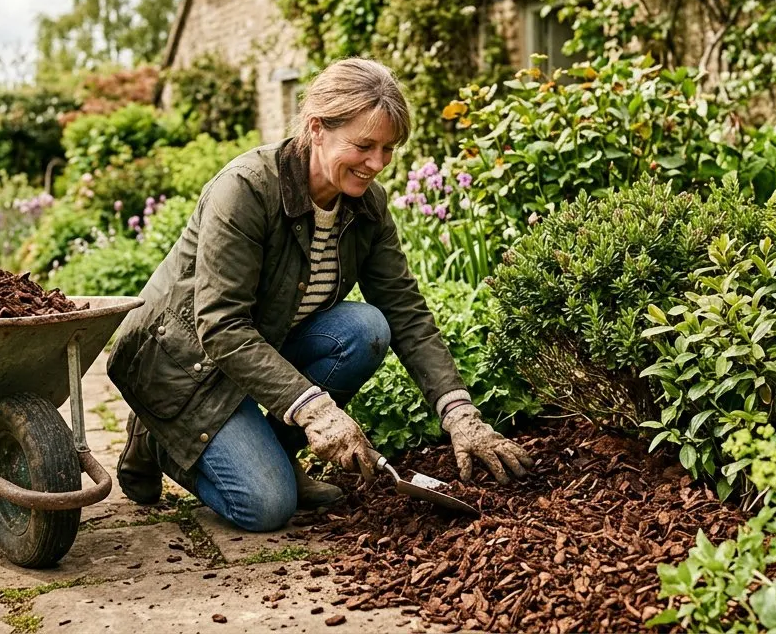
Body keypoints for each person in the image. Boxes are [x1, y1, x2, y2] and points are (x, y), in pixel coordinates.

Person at [107, 57, 533, 532]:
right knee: (266, 506)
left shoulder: (366, 206)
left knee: (366, 329)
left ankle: (272, 452)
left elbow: (406, 314)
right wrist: (316, 409)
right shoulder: (246, 190)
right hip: (183, 366)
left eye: (389, 149)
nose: (377, 163)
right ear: (316, 128)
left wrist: (460, 414)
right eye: (364, 145)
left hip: (260, 349)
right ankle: (161, 438)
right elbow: (221, 326)